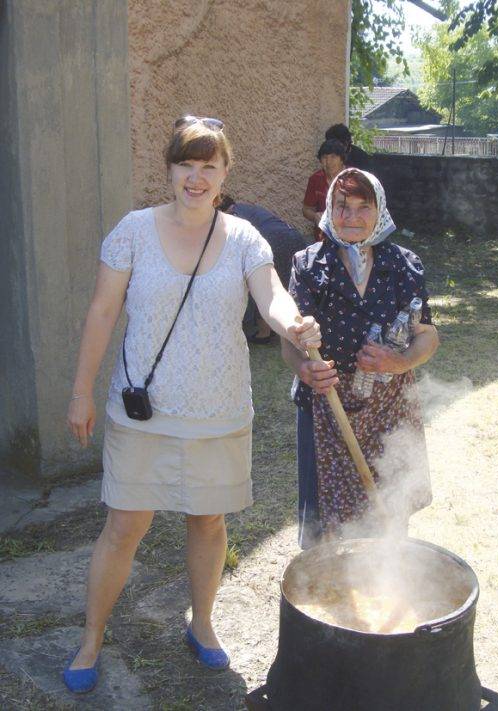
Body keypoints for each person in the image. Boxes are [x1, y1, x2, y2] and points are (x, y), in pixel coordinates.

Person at [63, 116, 320, 693]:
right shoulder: (132, 230)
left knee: (207, 521)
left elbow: (271, 296)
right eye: (187, 164)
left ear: (225, 173)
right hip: (143, 411)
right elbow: (103, 312)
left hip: (219, 408)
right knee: (124, 525)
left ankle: (202, 623)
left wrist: (294, 321)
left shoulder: (245, 238)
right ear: (170, 169)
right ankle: (92, 636)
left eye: (210, 166)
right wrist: (80, 391)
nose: (196, 177)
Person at [282, 168, 439, 547]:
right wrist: (304, 368)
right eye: (342, 207)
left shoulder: (404, 265)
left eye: (362, 207)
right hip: (325, 405)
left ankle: (386, 582)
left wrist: (399, 362)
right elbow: (290, 339)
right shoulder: (308, 264)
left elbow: (428, 336)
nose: (351, 217)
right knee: (325, 523)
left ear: (378, 210)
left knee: (388, 509)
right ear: (328, 210)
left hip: (388, 406)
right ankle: (322, 592)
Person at [220, 195, 307, 343]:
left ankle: (265, 332)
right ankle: (295, 327)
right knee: (290, 287)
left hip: (275, 243)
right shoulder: (246, 208)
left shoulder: (234, 216)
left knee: (264, 284)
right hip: (295, 239)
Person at [302, 138, 347, 241]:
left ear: (341, 159)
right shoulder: (315, 179)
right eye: (324, 157)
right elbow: (306, 209)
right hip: (323, 237)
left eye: (333, 157)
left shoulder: (353, 178)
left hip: (348, 237)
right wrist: (315, 216)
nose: (328, 162)